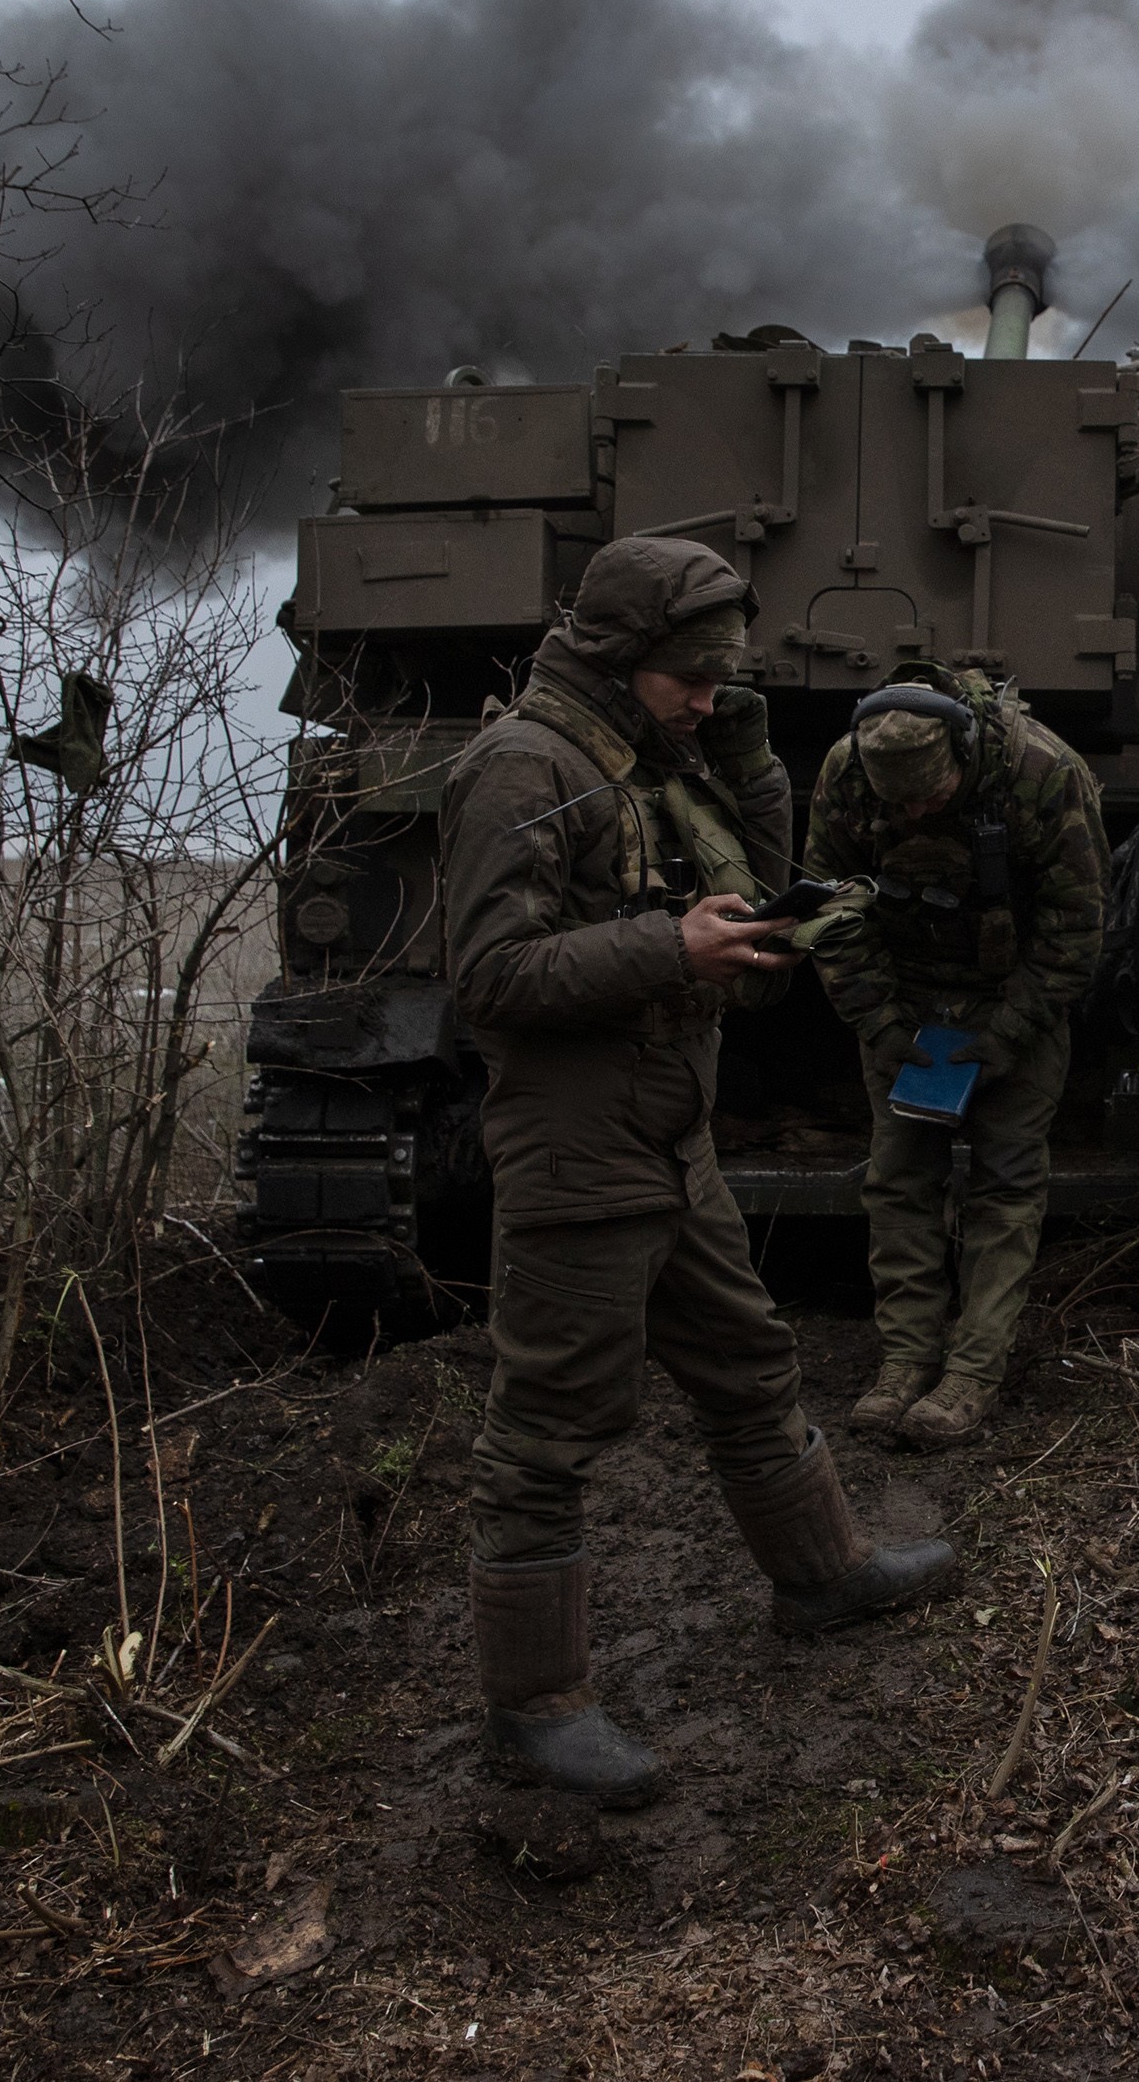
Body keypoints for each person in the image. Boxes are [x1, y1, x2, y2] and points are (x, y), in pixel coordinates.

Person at [438, 538, 955, 1807]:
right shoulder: (524, 766)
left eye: (723, 675)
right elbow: (488, 978)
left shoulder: (653, 754)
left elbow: (757, 883)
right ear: (623, 657)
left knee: (748, 1365)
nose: (709, 695)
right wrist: (667, 947)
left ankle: (824, 1576)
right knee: (550, 1433)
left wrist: (742, 752)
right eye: (692, 674)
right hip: (577, 1148)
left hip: (671, 1139)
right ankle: (534, 1711)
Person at [802, 662, 1107, 1447]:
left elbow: (1075, 931)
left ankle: (972, 1372)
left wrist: (1005, 1036)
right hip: (904, 1005)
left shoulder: (1043, 773)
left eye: (930, 798)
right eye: (898, 803)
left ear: (967, 757)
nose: (913, 813)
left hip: (1016, 1004)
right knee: (899, 1181)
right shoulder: (848, 775)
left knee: (1005, 1187)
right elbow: (830, 913)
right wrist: (881, 1024)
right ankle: (905, 1362)